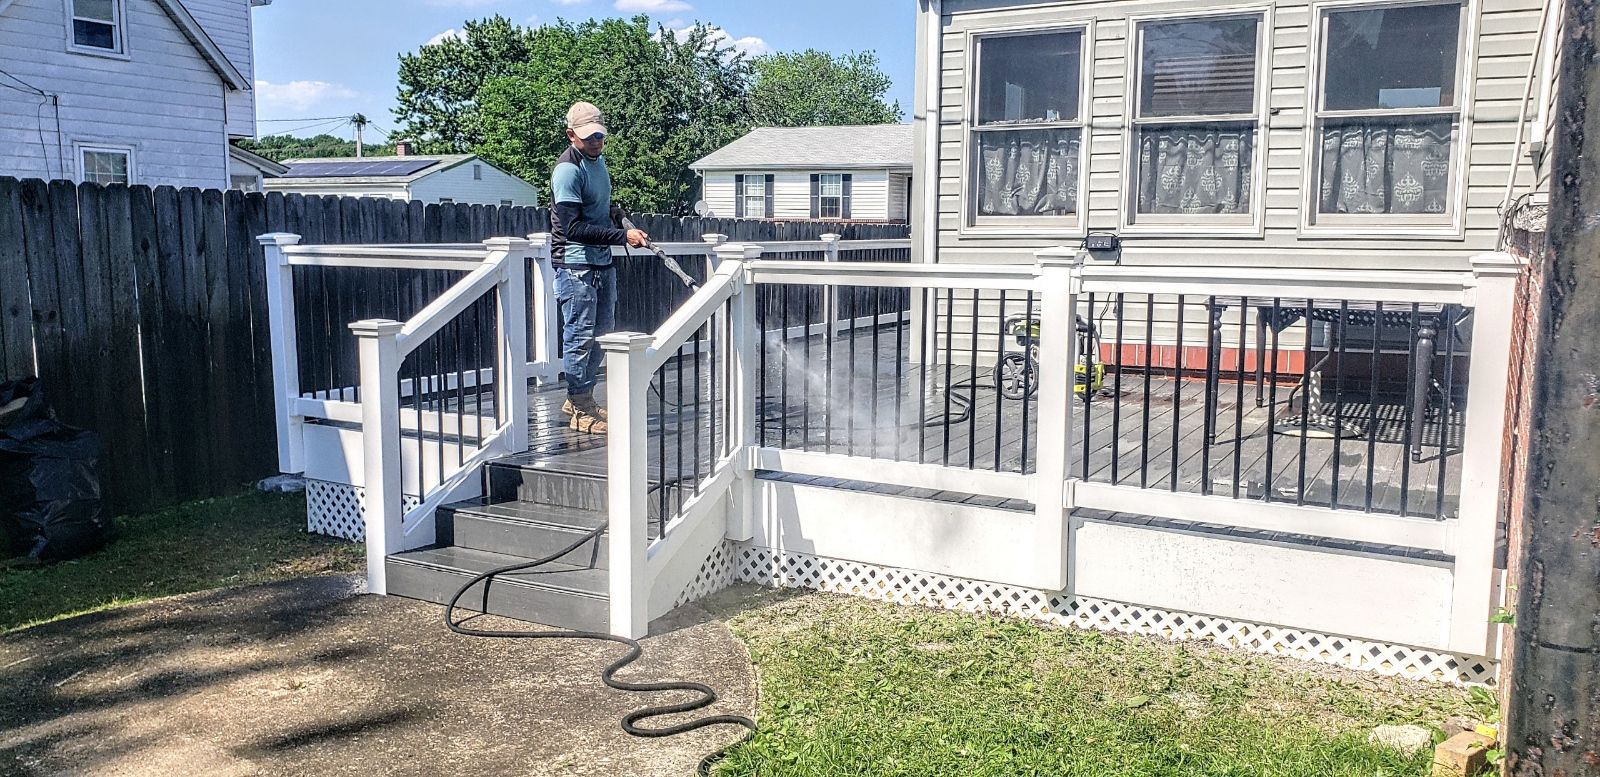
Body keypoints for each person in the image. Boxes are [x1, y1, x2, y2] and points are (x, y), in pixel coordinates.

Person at [550, 101, 649, 434]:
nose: (595, 142)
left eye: (599, 136)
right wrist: (622, 235)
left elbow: (602, 207)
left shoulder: (599, 162)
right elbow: (572, 228)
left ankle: (582, 398)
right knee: (579, 338)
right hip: (576, 266)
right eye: (587, 137)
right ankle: (579, 407)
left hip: (602, 264)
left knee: (601, 334)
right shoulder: (567, 171)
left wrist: (620, 217)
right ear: (571, 135)